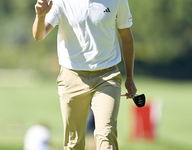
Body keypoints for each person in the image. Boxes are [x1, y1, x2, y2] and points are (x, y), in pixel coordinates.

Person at [33, 0, 137, 149]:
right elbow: (39, 35)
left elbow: (126, 37)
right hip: (72, 76)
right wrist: (40, 16)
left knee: (106, 134)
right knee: (73, 142)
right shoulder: (60, 1)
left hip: (107, 76)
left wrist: (130, 78)